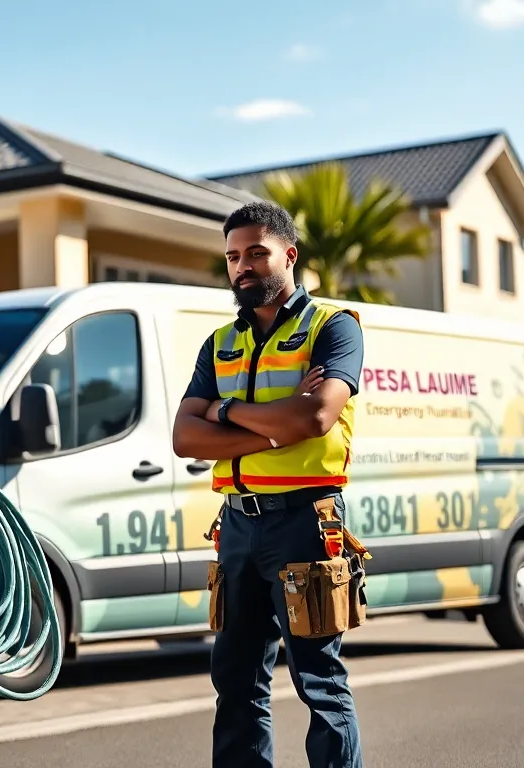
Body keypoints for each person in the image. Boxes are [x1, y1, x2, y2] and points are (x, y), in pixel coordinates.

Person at [171, 200, 366, 768]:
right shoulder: (218, 344)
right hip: (235, 527)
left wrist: (224, 413)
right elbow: (185, 437)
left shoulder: (335, 328)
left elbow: (315, 419)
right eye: (233, 257)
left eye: (256, 253)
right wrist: (266, 421)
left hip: (306, 525)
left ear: (289, 254)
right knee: (236, 685)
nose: (243, 267)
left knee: (320, 683)